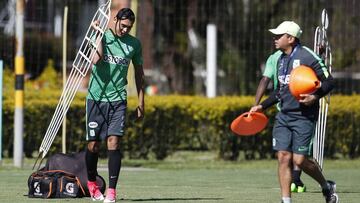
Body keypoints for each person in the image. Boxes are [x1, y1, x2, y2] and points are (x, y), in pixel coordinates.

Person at [250, 21, 338, 203]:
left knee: (299, 160)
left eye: (279, 35)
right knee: (283, 157)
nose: (275, 38)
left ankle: (325, 186)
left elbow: (329, 82)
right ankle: (286, 200)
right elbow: (282, 90)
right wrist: (262, 106)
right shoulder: (280, 59)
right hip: (283, 116)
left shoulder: (307, 56)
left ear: (290, 38)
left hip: (304, 117)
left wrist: (315, 97)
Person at [85, 8, 145, 203]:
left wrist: (141, 101)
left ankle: (111, 191)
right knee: (93, 145)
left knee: (114, 142)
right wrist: (98, 36)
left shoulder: (134, 44)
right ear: (116, 20)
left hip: (118, 100)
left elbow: (139, 73)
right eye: (123, 25)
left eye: (129, 27)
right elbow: (95, 59)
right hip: (96, 98)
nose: (125, 30)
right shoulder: (102, 35)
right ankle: (92, 184)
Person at [255, 52, 307, 193]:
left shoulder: (303, 55)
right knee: (289, 152)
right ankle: (294, 184)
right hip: (288, 108)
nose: (276, 39)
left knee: (295, 154)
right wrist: (259, 106)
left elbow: (265, 80)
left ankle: (298, 181)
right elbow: (266, 80)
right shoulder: (276, 57)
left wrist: (256, 103)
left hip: (297, 110)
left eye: (278, 36)